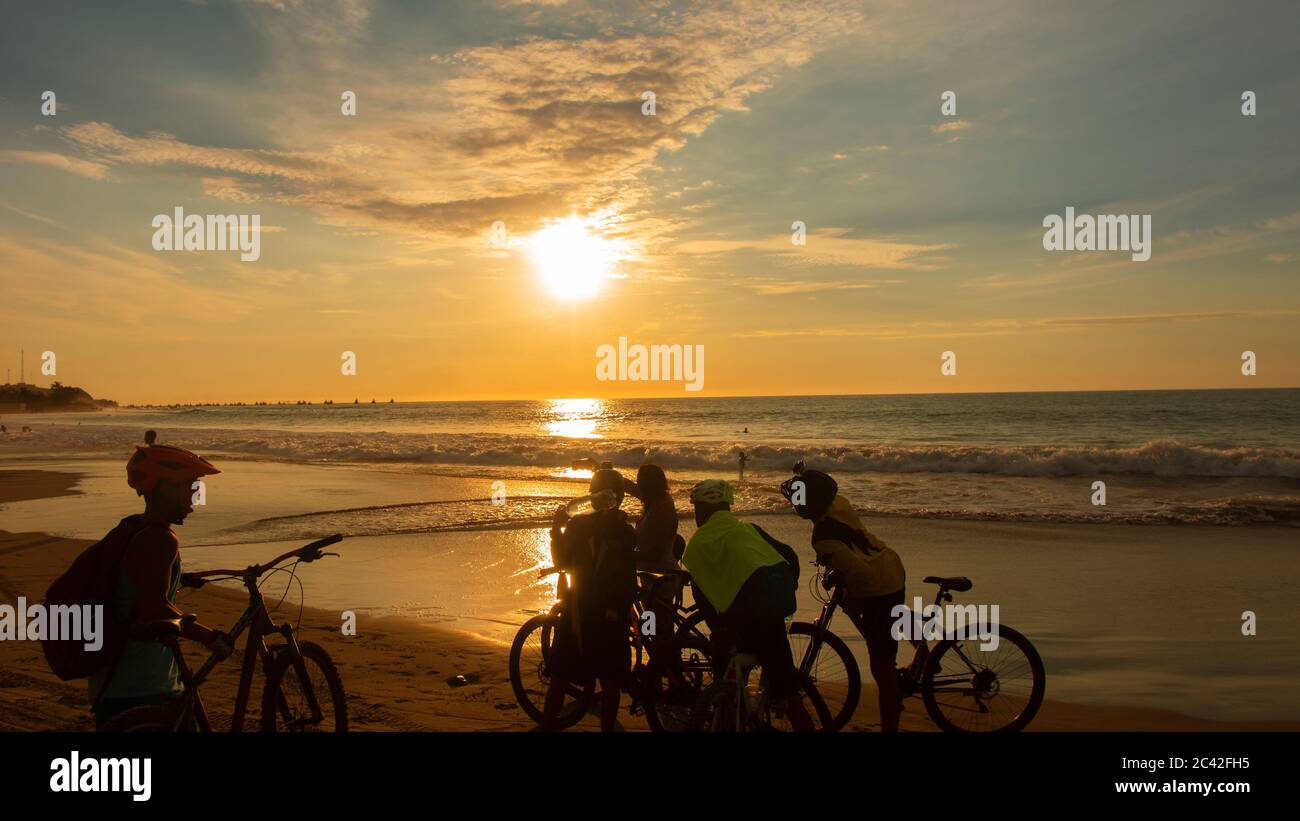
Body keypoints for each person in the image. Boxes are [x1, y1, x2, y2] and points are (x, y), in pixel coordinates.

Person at [91, 442, 232, 730]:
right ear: (167, 488)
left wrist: (179, 577)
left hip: (111, 679)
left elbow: (132, 581)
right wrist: (209, 637)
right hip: (144, 682)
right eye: (192, 487)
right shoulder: (162, 539)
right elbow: (153, 605)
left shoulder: (131, 527)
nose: (196, 496)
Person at [682, 479, 815, 731]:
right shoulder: (748, 529)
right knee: (789, 691)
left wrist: (719, 630)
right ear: (727, 508)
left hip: (745, 618)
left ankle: (728, 713)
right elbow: (790, 555)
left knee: (724, 663)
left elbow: (704, 597)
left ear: (700, 510)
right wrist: (789, 586)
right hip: (776, 610)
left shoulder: (697, 544)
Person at [780, 469, 906, 732]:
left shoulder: (823, 539)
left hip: (879, 586)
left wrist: (846, 586)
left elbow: (861, 574)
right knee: (890, 622)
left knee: (881, 668)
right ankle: (921, 648)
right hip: (889, 563)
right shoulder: (838, 503)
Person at [541, 468, 638, 731]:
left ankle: (549, 726)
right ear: (619, 497)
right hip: (613, 615)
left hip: (578, 613)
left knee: (560, 677)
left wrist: (556, 528)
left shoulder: (578, 526)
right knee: (610, 684)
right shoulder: (627, 532)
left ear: (592, 496)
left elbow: (561, 560)